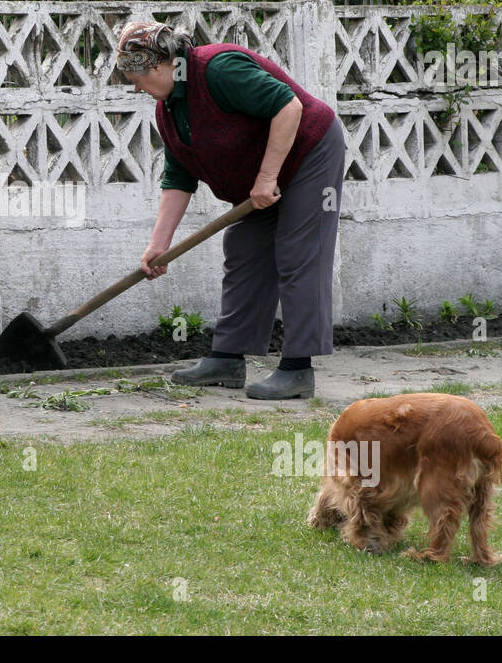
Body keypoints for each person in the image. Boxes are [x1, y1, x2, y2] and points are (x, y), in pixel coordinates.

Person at [116, 20, 345, 399]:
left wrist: (268, 177)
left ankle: (297, 369)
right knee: (244, 248)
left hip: (309, 153)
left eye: (137, 78)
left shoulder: (219, 69)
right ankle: (226, 359)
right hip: (263, 174)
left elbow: (289, 107)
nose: (136, 87)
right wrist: (159, 245)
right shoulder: (169, 109)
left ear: (162, 65)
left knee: (297, 253)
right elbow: (178, 176)